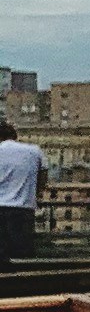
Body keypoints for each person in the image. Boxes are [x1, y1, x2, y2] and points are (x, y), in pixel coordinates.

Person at [0, 116, 42, 274]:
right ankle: (24, 288)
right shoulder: (34, 151)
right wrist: (35, 195)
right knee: (22, 254)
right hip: (24, 208)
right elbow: (42, 177)